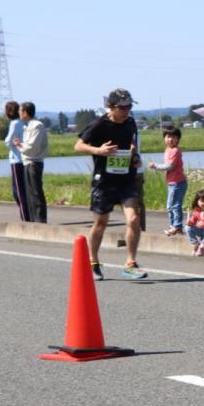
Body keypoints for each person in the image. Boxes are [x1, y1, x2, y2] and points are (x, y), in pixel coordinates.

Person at [74, 88, 147, 280]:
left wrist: (134, 156)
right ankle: (93, 262)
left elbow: (132, 143)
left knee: (133, 219)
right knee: (100, 223)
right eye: (123, 107)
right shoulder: (99, 124)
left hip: (126, 179)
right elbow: (78, 146)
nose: (127, 111)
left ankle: (130, 263)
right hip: (104, 181)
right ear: (111, 107)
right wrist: (99, 151)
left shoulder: (130, 122)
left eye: (130, 106)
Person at [148, 127, 187, 236]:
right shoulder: (168, 150)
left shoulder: (175, 150)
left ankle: (177, 226)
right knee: (170, 206)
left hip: (178, 182)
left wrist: (155, 165)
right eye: (168, 137)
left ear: (178, 139)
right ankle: (174, 226)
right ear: (164, 138)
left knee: (175, 205)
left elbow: (169, 166)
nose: (170, 139)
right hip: (172, 182)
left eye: (174, 137)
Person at [13, 101, 48, 223]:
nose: (19, 113)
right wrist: (21, 146)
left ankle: (40, 219)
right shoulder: (27, 126)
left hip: (34, 162)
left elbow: (32, 148)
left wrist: (19, 146)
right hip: (27, 162)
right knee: (29, 193)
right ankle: (33, 219)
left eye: (20, 111)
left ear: (25, 112)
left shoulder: (37, 125)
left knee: (36, 192)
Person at [3, 100, 31, 222]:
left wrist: (11, 143)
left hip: (16, 159)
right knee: (24, 189)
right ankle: (28, 215)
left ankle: (25, 217)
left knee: (18, 191)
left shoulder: (14, 123)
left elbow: (8, 141)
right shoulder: (24, 122)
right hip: (25, 159)